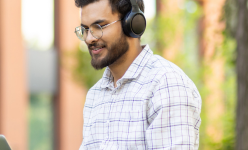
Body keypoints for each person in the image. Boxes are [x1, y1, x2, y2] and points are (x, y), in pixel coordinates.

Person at [74, 0, 202, 149]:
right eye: (85, 29)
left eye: (99, 26)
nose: (89, 38)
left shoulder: (166, 84)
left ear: (133, 23)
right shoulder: (95, 95)